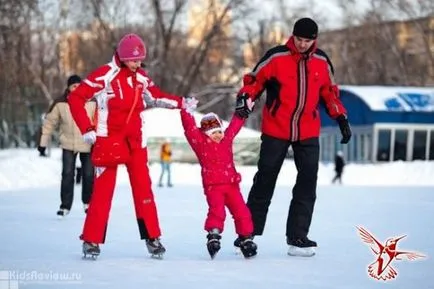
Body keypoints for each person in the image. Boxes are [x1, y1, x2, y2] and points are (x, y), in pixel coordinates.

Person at [67, 33, 197, 258]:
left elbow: (155, 97)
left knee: (143, 190)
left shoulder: (141, 78)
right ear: (123, 57)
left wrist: (181, 103)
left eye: (141, 60)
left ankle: (153, 238)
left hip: (136, 142)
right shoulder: (104, 75)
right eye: (135, 60)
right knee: (102, 193)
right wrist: (86, 129)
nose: (139, 64)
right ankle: (91, 240)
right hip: (108, 141)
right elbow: (75, 99)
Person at [234, 17, 352, 256]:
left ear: (314, 40)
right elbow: (254, 82)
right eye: (299, 39)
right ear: (293, 36)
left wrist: (340, 118)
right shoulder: (276, 57)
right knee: (265, 179)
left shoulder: (321, 61)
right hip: (276, 128)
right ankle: (247, 234)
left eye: (307, 41)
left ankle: (298, 237)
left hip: (307, 130)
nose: (302, 44)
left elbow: (330, 92)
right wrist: (245, 100)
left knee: (307, 182)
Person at [180, 102, 257, 259]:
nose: (217, 135)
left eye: (219, 131)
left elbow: (234, 127)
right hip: (213, 187)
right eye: (213, 132)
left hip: (232, 185)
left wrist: (242, 113)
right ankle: (213, 234)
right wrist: (186, 112)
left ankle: (246, 237)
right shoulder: (201, 144)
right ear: (206, 133)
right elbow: (190, 131)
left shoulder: (226, 140)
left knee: (242, 211)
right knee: (217, 211)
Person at [38, 75, 96, 217]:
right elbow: (49, 123)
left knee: (89, 174)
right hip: (68, 143)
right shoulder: (61, 103)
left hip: (88, 143)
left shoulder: (91, 101)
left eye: (78, 85)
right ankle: (65, 206)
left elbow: (99, 120)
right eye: (73, 86)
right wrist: (43, 143)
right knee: (67, 174)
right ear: (68, 87)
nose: (76, 88)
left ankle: (88, 203)